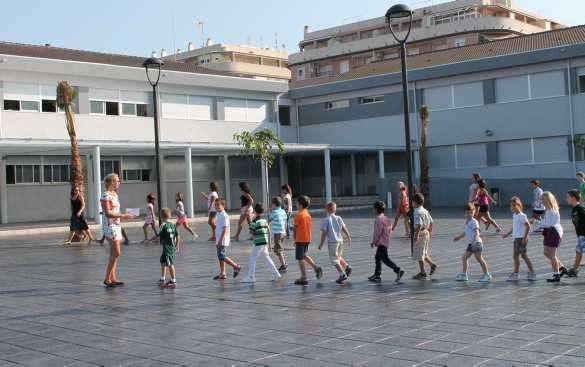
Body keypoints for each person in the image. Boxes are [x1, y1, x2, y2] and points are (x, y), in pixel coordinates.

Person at [101, 173, 135, 287]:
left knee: (114, 253)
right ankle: (107, 278)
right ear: (111, 182)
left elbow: (115, 210)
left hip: (117, 225)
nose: (119, 183)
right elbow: (108, 213)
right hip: (110, 226)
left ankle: (112, 278)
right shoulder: (105, 195)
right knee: (117, 252)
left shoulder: (115, 194)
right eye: (117, 181)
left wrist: (124, 216)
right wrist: (125, 216)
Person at [241, 203, 282, 283]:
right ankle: (276, 273)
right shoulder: (264, 221)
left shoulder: (254, 221)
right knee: (267, 257)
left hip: (258, 243)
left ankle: (251, 277)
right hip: (264, 242)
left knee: (252, 258)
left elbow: (251, 232)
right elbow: (268, 231)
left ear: (255, 211)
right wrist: (269, 244)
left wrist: (252, 232)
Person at [454, 203, 492, 282]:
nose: (469, 214)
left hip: (476, 243)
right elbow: (465, 233)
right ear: (464, 213)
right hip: (471, 244)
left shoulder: (474, 221)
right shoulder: (466, 222)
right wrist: (458, 237)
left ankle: (487, 275)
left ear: (474, 212)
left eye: (471, 212)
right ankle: (464, 275)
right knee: (464, 258)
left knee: (479, 259)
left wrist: (476, 238)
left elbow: (477, 231)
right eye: (467, 213)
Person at [368, 201, 405, 283]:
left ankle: (398, 270)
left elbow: (377, 232)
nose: (372, 210)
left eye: (373, 208)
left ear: (377, 210)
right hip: (385, 241)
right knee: (378, 257)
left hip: (381, 242)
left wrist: (374, 242)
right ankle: (377, 274)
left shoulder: (378, 219)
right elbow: (390, 229)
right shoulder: (386, 219)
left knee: (384, 259)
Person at [535, 192, 568, 283]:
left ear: (548, 200)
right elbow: (546, 223)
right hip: (549, 232)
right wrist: (539, 223)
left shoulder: (552, 211)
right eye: (541, 199)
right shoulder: (548, 210)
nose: (542, 201)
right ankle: (561, 267)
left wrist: (538, 223)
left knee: (552, 255)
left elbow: (548, 224)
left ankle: (556, 275)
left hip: (554, 232)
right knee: (546, 252)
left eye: (543, 199)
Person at [502, 197, 536, 281]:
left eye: (513, 206)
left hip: (521, 238)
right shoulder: (515, 215)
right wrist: (507, 234)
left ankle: (531, 272)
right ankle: (516, 274)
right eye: (511, 206)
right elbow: (514, 227)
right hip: (517, 238)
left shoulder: (522, 215)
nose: (512, 208)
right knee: (516, 256)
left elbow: (528, 226)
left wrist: (525, 237)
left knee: (523, 256)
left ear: (518, 205)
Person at [318, 202, 353, 284]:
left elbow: (324, 233)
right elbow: (344, 228)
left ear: (326, 209)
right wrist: (348, 236)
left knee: (334, 260)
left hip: (332, 242)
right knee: (338, 256)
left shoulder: (326, 220)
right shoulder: (339, 218)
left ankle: (342, 274)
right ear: (335, 209)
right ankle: (347, 267)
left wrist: (321, 244)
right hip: (340, 241)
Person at [293, 195, 323, 286]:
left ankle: (303, 277)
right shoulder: (307, 214)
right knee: (304, 255)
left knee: (300, 258)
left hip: (300, 238)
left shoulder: (298, 215)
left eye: (297, 203)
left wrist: (295, 239)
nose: (296, 204)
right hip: (307, 238)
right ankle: (316, 268)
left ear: (300, 205)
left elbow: (295, 228)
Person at [213, 198, 241, 280]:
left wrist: (221, 240)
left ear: (223, 206)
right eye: (215, 205)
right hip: (219, 239)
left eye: (218, 205)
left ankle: (236, 266)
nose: (216, 206)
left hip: (222, 239)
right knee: (220, 256)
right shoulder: (219, 214)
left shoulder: (224, 215)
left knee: (222, 256)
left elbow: (225, 229)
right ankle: (223, 273)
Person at [411, 193, 437, 280]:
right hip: (426, 233)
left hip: (421, 233)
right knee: (424, 253)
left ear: (415, 202)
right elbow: (432, 222)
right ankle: (432, 265)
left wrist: (416, 235)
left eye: (412, 201)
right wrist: (430, 232)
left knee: (419, 254)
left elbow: (419, 224)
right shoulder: (425, 210)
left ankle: (422, 272)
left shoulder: (416, 211)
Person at [158, 208, 180, 289]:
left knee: (170, 263)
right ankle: (163, 278)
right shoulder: (173, 225)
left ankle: (173, 280)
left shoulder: (163, 225)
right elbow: (178, 235)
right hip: (170, 248)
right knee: (163, 262)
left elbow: (158, 234)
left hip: (167, 249)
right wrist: (177, 245)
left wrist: (149, 240)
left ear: (161, 217)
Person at [567, 189, 585, 277]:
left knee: (579, 251)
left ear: (573, 198)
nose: (567, 199)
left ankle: (575, 269)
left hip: (583, 234)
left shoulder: (580, 209)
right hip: (581, 235)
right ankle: (575, 269)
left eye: (568, 197)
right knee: (578, 251)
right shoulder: (574, 209)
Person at [269, 196, 288, 273]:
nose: (271, 206)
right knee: (278, 249)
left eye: (271, 204)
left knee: (278, 250)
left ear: (274, 204)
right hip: (283, 232)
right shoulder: (283, 211)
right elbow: (286, 221)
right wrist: (286, 231)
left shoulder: (274, 212)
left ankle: (284, 265)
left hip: (277, 233)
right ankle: (283, 263)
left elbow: (269, 220)